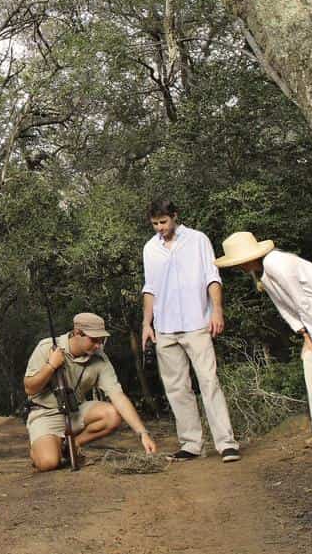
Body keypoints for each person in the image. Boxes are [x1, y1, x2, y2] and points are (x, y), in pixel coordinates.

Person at [214, 230, 312, 447]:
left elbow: (301, 302)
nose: (238, 267)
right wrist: (305, 334)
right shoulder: (262, 273)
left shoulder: (277, 263)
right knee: (309, 357)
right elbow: (285, 307)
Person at [140, 199, 240, 463]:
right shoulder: (150, 249)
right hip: (165, 327)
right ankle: (191, 444)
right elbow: (149, 288)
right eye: (155, 224)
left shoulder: (198, 240)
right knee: (176, 388)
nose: (160, 228)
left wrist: (216, 311)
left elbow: (212, 277)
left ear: (175, 216)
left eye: (163, 222)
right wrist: (146, 324)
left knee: (209, 382)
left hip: (197, 322)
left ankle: (226, 443)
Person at [23, 311, 157, 471]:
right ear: (77, 332)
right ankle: (43, 449)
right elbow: (30, 388)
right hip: (45, 413)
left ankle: (71, 444)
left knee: (112, 415)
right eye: (94, 340)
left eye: (101, 340)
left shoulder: (100, 358)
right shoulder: (47, 348)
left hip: (75, 411)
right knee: (48, 463)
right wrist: (51, 366)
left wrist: (142, 433)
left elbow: (117, 396)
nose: (98, 345)